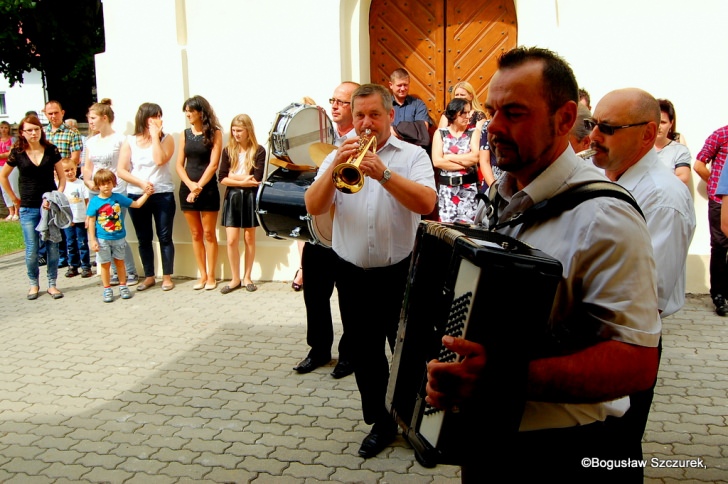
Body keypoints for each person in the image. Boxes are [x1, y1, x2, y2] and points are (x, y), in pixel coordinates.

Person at [425, 47, 660, 481]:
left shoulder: (605, 215)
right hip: (490, 441)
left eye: (514, 113)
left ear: (565, 119)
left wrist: (501, 377)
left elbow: (638, 363)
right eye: (492, 111)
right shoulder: (502, 196)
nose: (492, 127)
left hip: (569, 456)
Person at [305, 83, 437, 458]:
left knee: (410, 354)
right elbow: (313, 206)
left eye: (373, 115)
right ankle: (382, 422)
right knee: (366, 355)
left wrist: (384, 174)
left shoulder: (412, 156)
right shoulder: (338, 155)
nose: (365, 123)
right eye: (359, 115)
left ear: (389, 116)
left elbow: (427, 202)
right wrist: (333, 171)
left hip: (400, 274)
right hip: (352, 274)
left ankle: (417, 425)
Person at [589, 88, 695, 472]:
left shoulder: (662, 196)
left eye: (608, 128)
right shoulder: (605, 179)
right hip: (592, 340)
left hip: (624, 344)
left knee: (613, 454)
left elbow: (650, 294)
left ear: (648, 134)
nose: (594, 136)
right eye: (593, 124)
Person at [293, 81, 359, 378]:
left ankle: (350, 354)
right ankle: (318, 349)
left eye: (341, 102)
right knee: (315, 295)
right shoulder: (321, 134)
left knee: (349, 298)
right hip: (319, 231)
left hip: (348, 232)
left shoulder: (363, 139)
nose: (334, 105)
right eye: (332, 100)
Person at [0, 114, 66, 300]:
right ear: (22, 132)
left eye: (36, 129)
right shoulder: (18, 152)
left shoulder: (51, 150)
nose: (34, 133)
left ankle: (52, 284)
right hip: (28, 207)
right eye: (29, 130)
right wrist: (14, 198)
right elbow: (3, 176)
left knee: (53, 246)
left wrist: (56, 196)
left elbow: (61, 178)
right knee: (32, 249)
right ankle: (33, 284)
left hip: (49, 208)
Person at [117, 102, 176, 292]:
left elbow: (159, 160)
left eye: (160, 116)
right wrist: (141, 184)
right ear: (145, 118)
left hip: (162, 194)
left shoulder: (167, 139)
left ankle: (167, 277)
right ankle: (149, 275)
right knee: (144, 237)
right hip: (138, 194)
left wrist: (155, 137)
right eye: (154, 117)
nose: (159, 120)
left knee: (164, 236)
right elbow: (121, 170)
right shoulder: (130, 141)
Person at [82, 98, 140, 285]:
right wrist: (88, 182)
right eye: (89, 118)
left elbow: (125, 166)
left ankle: (129, 272)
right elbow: (87, 167)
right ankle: (114, 272)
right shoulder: (90, 141)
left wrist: (116, 185)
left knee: (115, 230)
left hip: (117, 191)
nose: (90, 122)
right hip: (96, 192)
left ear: (104, 118)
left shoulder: (120, 140)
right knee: (102, 233)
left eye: (93, 118)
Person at [176, 95, 222, 290]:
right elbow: (179, 165)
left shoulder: (215, 133)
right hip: (187, 188)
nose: (187, 114)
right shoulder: (184, 134)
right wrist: (190, 184)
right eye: (185, 111)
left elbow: (213, 165)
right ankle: (202, 275)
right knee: (195, 234)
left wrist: (198, 187)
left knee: (209, 233)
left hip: (208, 189)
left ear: (201, 112)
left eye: (191, 111)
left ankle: (212, 275)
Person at [87, 169, 153, 303]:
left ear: (114, 184)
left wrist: (147, 194)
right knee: (105, 264)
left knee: (120, 262)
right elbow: (91, 220)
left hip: (119, 238)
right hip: (102, 239)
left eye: (109, 183)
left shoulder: (118, 198)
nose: (106, 186)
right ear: (98, 185)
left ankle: (123, 286)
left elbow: (136, 204)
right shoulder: (94, 201)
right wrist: (92, 240)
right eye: (103, 183)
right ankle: (107, 288)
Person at [218, 114, 265, 294]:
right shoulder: (228, 150)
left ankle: (247, 277)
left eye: (239, 130)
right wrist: (242, 180)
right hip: (233, 197)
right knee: (231, 240)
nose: (236, 134)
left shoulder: (259, 151)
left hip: (250, 197)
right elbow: (222, 178)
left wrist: (234, 177)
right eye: (233, 130)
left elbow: (257, 179)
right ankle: (235, 278)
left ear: (248, 131)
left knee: (249, 238)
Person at [695, 124, 728, 316]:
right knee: (719, 245)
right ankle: (718, 295)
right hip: (719, 201)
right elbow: (699, 164)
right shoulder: (721, 134)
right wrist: (717, 184)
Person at [44, 100, 82, 269]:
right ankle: (58, 255)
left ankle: (73, 256)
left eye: (56, 112)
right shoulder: (43, 134)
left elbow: (75, 157)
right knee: (51, 218)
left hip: (65, 179)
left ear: (62, 112)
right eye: (49, 113)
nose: (53, 116)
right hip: (46, 180)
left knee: (67, 216)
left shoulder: (71, 133)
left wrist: (62, 173)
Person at [432, 98, 479, 223]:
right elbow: (437, 162)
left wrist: (449, 157)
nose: (468, 116)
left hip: (469, 191)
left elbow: (475, 158)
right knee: (447, 232)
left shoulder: (473, 132)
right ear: (454, 114)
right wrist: (465, 162)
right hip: (447, 191)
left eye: (469, 113)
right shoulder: (440, 133)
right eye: (464, 113)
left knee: (469, 231)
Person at [61, 159, 92, 278]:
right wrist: (67, 219)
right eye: (66, 170)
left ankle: (86, 266)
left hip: (81, 219)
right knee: (70, 243)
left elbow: (87, 201)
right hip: (69, 220)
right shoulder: (62, 186)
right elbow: (61, 204)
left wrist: (87, 217)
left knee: (83, 243)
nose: (70, 172)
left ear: (76, 169)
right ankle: (73, 265)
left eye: (72, 169)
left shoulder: (82, 184)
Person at [655, 99, 691, 185]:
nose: (659, 126)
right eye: (655, 122)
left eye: (663, 122)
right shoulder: (639, 148)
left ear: (671, 123)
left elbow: (683, 178)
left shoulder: (679, 150)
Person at [389, 68, 430, 136]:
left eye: (405, 85)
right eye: (399, 85)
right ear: (391, 85)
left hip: (413, 146)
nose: (402, 89)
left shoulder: (418, 105)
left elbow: (422, 130)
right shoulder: (383, 105)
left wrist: (393, 131)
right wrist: (410, 130)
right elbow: (379, 129)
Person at [0, 120, 19, 220]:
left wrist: (2, 155)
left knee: (14, 187)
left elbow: (11, 153)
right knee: (4, 189)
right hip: (0, 166)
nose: (3, 130)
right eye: (2, 127)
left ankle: (17, 211)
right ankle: (10, 211)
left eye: (5, 127)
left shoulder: (13, 139)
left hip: (11, 166)